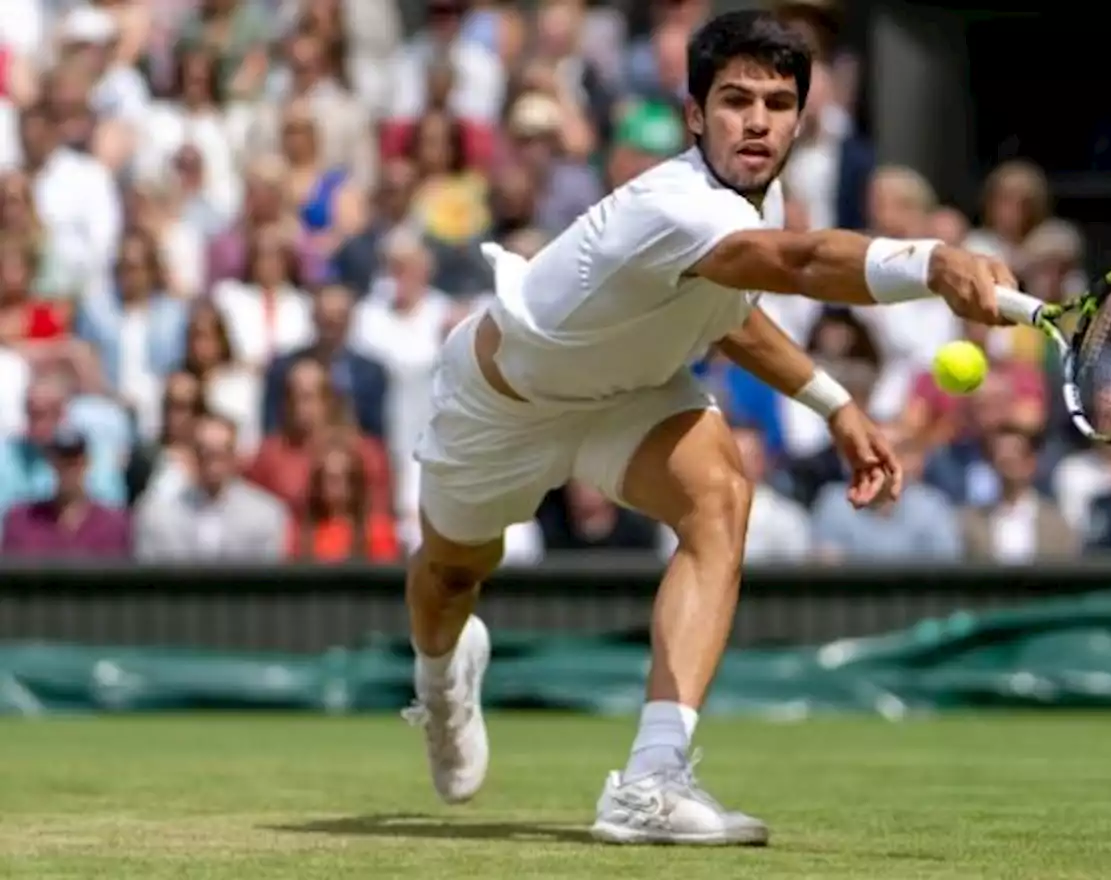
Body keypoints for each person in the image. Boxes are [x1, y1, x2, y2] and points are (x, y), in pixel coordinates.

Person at [400, 10, 1014, 847]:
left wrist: (834, 403)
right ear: (695, 115)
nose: (756, 120)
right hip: (502, 408)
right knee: (450, 578)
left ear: (801, 117)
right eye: (734, 101)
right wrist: (933, 263)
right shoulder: (676, 206)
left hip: (631, 395)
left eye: (776, 102)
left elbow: (728, 314)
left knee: (721, 497)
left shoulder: (762, 199)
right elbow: (795, 263)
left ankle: (651, 782)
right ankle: (440, 682)